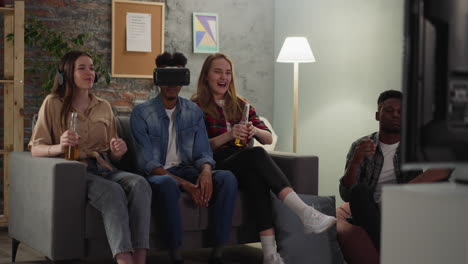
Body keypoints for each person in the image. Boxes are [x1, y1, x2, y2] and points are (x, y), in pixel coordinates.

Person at [192, 53, 336, 264]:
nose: (224, 77)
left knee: (256, 177)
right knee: (257, 155)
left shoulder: (242, 104)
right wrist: (229, 135)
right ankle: (304, 212)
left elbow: (267, 137)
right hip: (214, 164)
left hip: (243, 161)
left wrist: (254, 131)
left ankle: (269, 255)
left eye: (228, 72)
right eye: (217, 71)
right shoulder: (195, 107)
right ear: (206, 76)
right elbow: (197, 147)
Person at [29, 51, 151, 264]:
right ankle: (124, 260)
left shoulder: (103, 106)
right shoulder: (52, 103)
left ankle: (140, 259)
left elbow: (114, 153)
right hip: (76, 170)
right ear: (67, 73)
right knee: (112, 191)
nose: (90, 72)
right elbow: (35, 149)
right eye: (82, 68)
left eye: (92, 68)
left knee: (140, 184)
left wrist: (118, 150)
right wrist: (60, 145)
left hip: (105, 167)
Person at [130, 52, 238, 264]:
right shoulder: (141, 113)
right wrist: (188, 186)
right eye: (166, 77)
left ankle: (217, 253)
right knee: (167, 183)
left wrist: (206, 172)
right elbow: (148, 163)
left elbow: (203, 152)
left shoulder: (192, 111)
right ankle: (175, 255)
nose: (172, 83)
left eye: (177, 76)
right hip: (157, 174)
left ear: (185, 78)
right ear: (157, 78)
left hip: (187, 168)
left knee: (226, 178)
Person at [338, 90, 451, 251]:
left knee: (443, 185)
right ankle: (389, 249)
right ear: (378, 115)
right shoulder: (361, 146)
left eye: (400, 112)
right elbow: (347, 194)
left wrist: (399, 191)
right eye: (389, 111)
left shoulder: (416, 145)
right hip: (371, 210)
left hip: (404, 207)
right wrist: (356, 161)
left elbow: (444, 168)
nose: (396, 115)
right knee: (358, 191)